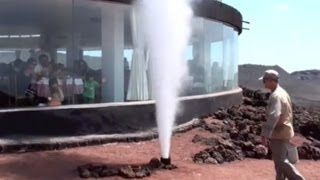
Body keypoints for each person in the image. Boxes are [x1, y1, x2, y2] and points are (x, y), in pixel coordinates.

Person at [259, 69, 305, 180]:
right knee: (279, 163)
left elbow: (274, 115)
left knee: (281, 161)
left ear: (271, 81)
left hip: (279, 133)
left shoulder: (276, 96)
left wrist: (265, 134)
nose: (263, 83)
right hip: (286, 131)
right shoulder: (283, 92)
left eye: (264, 80)